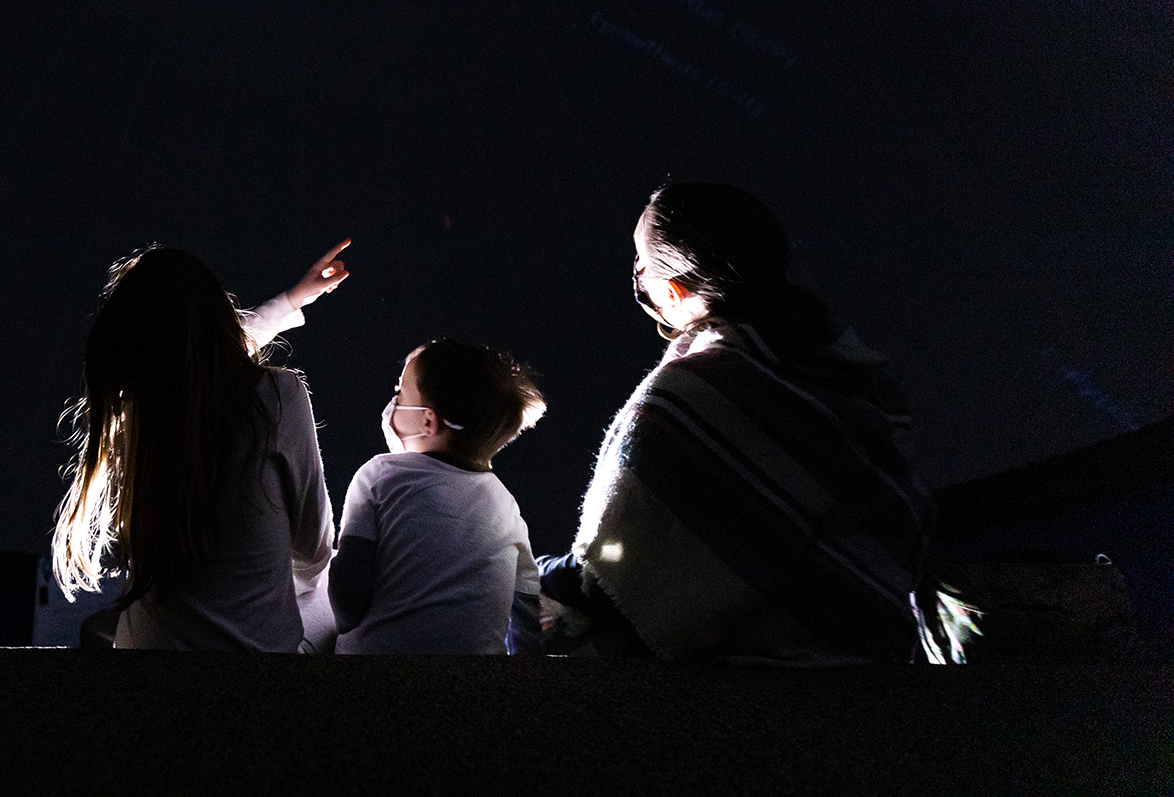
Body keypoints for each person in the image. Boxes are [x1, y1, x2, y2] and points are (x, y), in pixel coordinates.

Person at [541, 183, 944, 664]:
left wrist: (524, 571)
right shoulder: (864, 385)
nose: (636, 276)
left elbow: (613, 581)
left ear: (673, 291)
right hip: (880, 677)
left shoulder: (685, 400)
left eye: (639, 261)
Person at [51, 241, 350, 651]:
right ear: (218, 315)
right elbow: (314, 551)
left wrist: (292, 299)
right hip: (257, 670)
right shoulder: (278, 396)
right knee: (332, 593)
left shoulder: (139, 414)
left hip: (146, 655)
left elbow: (188, 361)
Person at [330, 340, 546, 654]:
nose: (393, 401)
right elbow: (526, 612)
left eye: (401, 392)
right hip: (473, 685)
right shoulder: (507, 506)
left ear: (428, 421)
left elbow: (347, 607)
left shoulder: (379, 475)